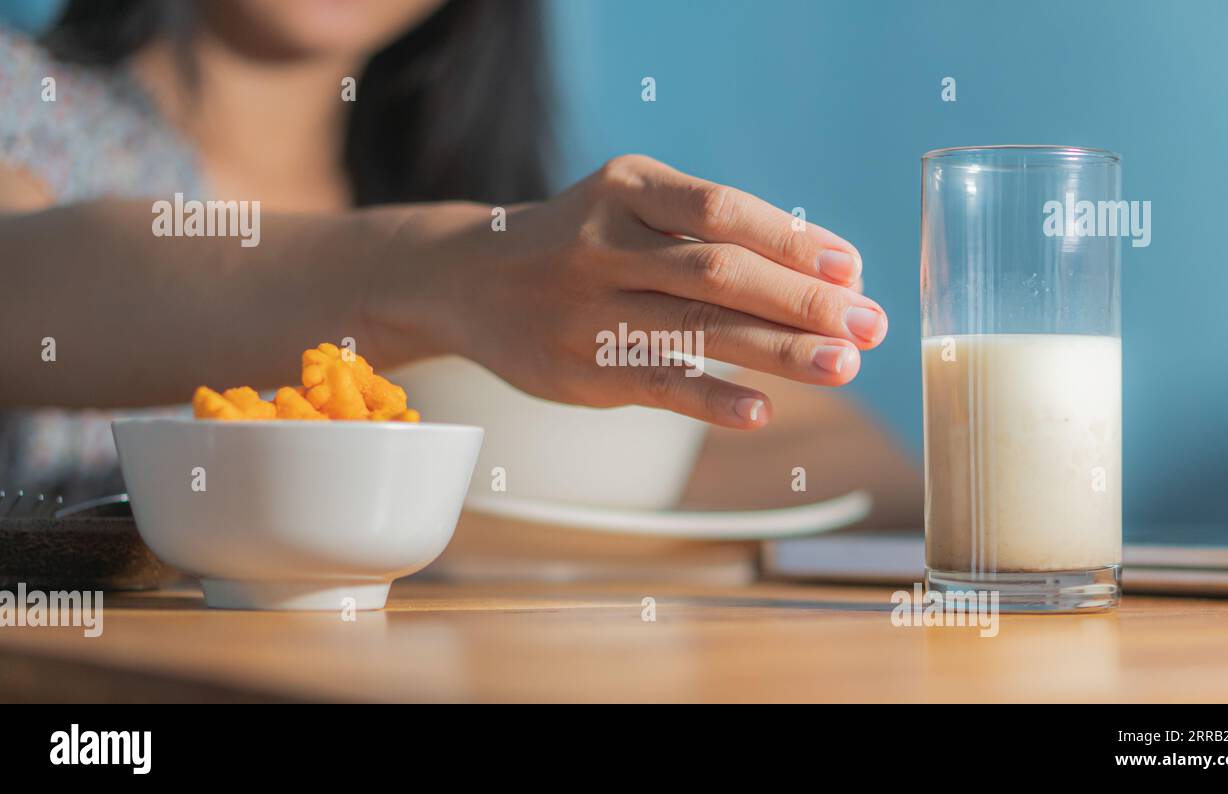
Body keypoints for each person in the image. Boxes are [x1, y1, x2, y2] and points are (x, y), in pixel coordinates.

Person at [0, 0, 920, 526]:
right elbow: (30, 278)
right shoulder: (24, 106)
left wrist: (527, 507)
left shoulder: (518, 250)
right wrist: (442, 279)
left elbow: (865, 464)